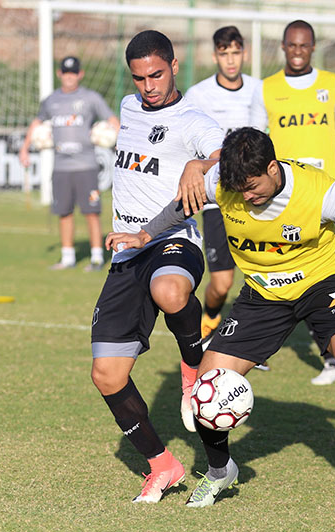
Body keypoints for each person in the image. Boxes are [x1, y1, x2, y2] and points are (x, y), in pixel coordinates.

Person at [106, 127, 335, 523]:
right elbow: (182, 204)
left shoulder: (322, 192)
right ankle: (220, 470)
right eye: (237, 189)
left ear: (273, 168)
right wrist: (144, 234)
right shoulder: (224, 183)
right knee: (206, 387)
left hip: (323, 284)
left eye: (252, 186)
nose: (246, 197)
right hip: (262, 295)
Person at [89, 30, 223, 503]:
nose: (148, 86)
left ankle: (192, 369)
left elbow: (226, 149)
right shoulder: (127, 107)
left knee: (171, 293)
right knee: (107, 374)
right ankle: (162, 465)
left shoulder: (192, 118)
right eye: (140, 78)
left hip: (172, 240)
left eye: (157, 74)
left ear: (174, 65)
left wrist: (199, 166)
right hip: (126, 252)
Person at [250, 20, 335, 385]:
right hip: (288, 202)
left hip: (329, 198)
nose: (297, 51)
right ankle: (331, 356)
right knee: (304, 276)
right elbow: (256, 143)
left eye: (303, 46)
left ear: (313, 47)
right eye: (291, 45)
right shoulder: (267, 89)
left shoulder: (332, 85)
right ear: (282, 46)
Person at [184, 26, 266, 371]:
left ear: (243, 53)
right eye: (223, 53)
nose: (230, 60)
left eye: (235, 52)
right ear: (215, 55)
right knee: (221, 283)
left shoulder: (259, 91)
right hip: (219, 200)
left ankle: (253, 344)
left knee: (262, 273)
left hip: (254, 198)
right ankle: (210, 321)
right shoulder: (198, 95)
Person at [20, 56, 120, 271]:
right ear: (59, 74)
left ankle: (96, 257)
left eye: (73, 73)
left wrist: (121, 143)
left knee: (91, 212)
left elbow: (111, 120)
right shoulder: (51, 101)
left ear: (80, 74)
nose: (69, 77)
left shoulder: (91, 98)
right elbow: (37, 122)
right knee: (63, 212)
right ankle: (68, 257)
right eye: (66, 73)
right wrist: (25, 148)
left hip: (86, 166)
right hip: (61, 168)